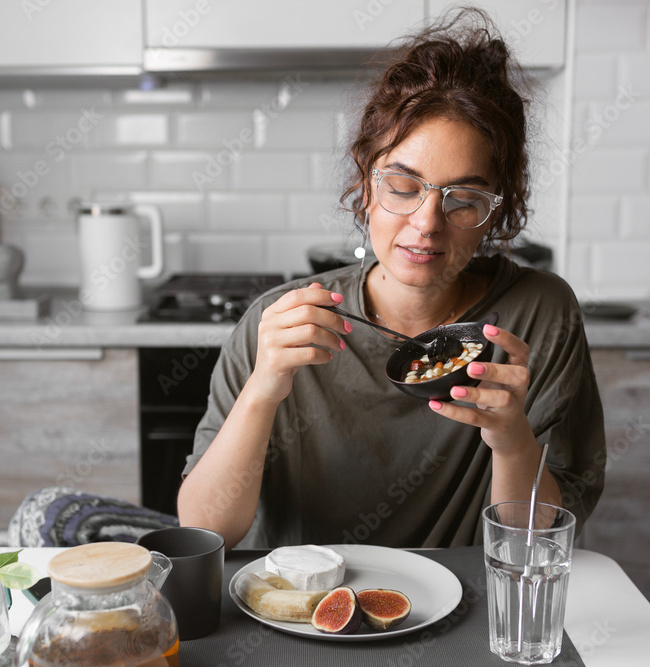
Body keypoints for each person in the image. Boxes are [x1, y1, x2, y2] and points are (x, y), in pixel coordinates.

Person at [175, 8, 606, 551]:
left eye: (464, 199)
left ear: (496, 211)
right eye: (403, 186)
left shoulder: (539, 315)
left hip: (466, 616)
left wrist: (512, 441)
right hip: (297, 613)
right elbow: (204, 531)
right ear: (365, 183)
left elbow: (535, 548)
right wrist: (263, 389)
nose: (426, 223)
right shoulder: (280, 323)